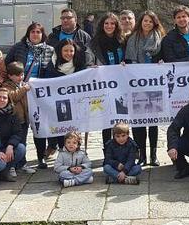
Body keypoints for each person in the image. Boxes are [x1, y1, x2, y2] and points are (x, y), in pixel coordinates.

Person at [5, 22, 55, 168]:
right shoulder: (18, 47)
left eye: (38, 32)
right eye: (32, 32)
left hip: (39, 93)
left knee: (39, 126)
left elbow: (52, 70)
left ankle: (41, 157)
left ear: (42, 34)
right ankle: (21, 159)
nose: (35, 34)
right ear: (28, 34)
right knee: (21, 125)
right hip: (21, 92)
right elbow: (7, 66)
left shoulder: (49, 50)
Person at [125, 10, 166, 166]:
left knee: (152, 122)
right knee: (138, 122)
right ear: (140, 22)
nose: (147, 23)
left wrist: (162, 62)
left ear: (154, 23)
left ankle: (153, 155)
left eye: (150, 21)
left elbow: (164, 56)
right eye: (145, 21)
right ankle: (142, 155)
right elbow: (127, 59)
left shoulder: (160, 38)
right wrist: (125, 64)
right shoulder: (132, 39)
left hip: (154, 84)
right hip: (137, 85)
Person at [44, 39, 88, 154]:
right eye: (65, 51)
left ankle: (75, 151)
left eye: (71, 51)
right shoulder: (52, 64)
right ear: (60, 51)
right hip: (57, 103)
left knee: (74, 129)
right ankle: (62, 150)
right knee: (60, 128)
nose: (69, 53)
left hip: (75, 103)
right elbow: (47, 82)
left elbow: (85, 79)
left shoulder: (79, 64)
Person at [89, 12, 125, 144]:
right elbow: (89, 60)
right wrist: (90, 66)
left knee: (121, 118)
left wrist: (126, 63)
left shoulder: (122, 40)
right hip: (103, 84)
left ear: (117, 26)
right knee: (107, 120)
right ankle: (107, 149)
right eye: (106, 23)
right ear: (102, 25)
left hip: (121, 85)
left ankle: (122, 147)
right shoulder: (94, 42)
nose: (109, 26)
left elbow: (128, 58)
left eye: (112, 23)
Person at [2, 62, 36, 174]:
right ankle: (11, 166)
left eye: (22, 75)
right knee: (14, 144)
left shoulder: (22, 84)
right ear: (10, 76)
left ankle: (22, 164)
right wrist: (24, 89)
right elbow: (13, 97)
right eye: (17, 75)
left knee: (24, 143)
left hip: (24, 120)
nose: (20, 77)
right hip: (14, 120)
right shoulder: (6, 86)